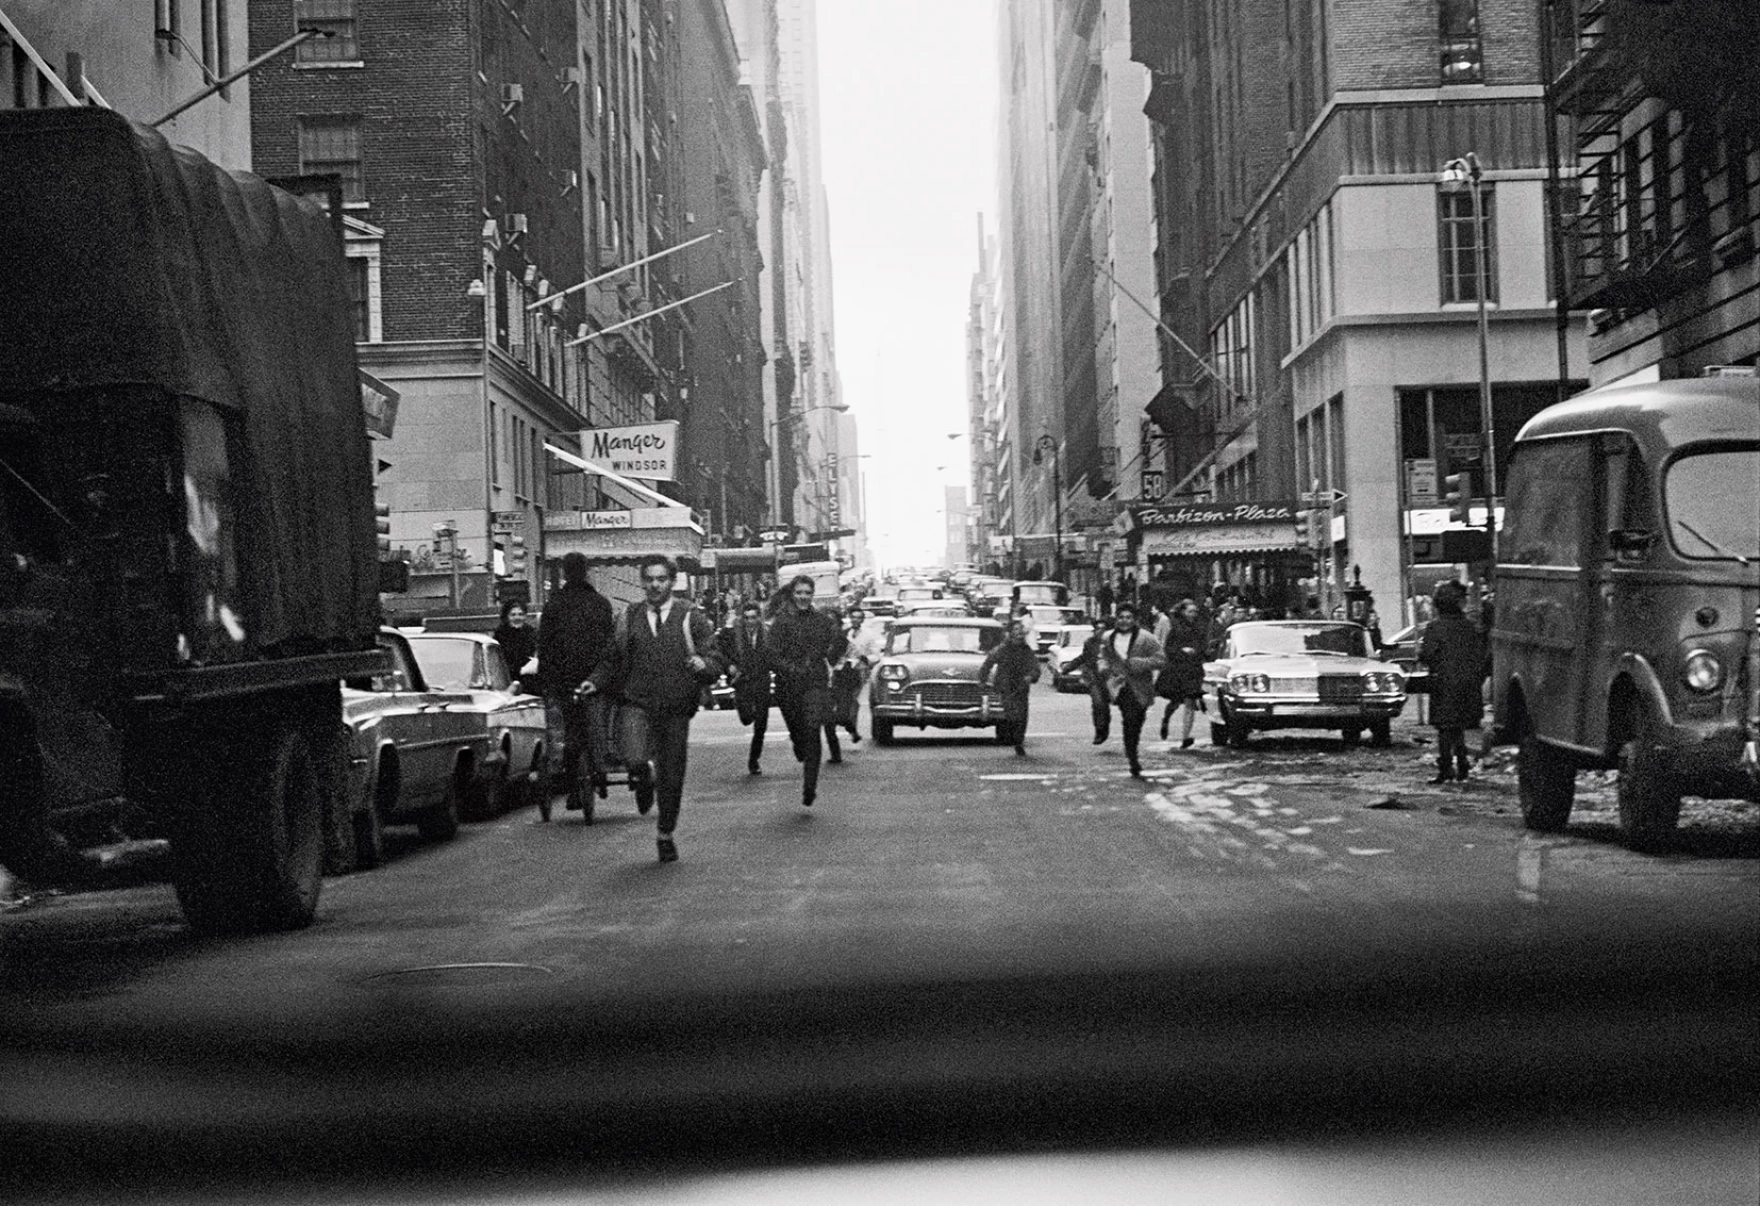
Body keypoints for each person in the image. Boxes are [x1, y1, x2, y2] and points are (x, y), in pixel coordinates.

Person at [590, 556, 724, 862]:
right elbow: (611, 658)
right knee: (633, 755)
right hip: (636, 703)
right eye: (649, 579)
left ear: (672, 582)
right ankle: (643, 774)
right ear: (642, 582)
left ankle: (665, 833)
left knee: (673, 775)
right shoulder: (629, 617)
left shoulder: (691, 617)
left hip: (676, 707)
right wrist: (594, 681)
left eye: (661, 579)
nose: (654, 585)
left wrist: (704, 664)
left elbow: (716, 657)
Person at [536, 553, 616, 812]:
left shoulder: (553, 606)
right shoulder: (601, 604)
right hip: (595, 678)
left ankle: (573, 787)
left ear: (564, 574)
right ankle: (599, 770)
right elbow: (609, 646)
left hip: (563, 681)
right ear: (586, 572)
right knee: (596, 726)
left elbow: (545, 647)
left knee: (570, 731)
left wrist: (547, 681)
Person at [767, 574, 848, 808]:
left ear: (813, 595)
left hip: (814, 683)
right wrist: (790, 669)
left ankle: (809, 787)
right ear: (792, 594)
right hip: (789, 686)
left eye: (807, 593)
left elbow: (830, 656)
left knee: (813, 732)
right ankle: (797, 743)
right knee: (799, 732)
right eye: (799, 593)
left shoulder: (821, 620)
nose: (803, 597)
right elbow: (772, 654)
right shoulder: (781, 622)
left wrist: (840, 640)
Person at [1418, 580, 1487, 784]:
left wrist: (1421, 655)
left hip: (1444, 684)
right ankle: (1463, 765)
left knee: (1445, 728)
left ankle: (1446, 767)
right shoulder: (1469, 627)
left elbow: (1429, 655)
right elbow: (1480, 655)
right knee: (1458, 727)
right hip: (1468, 685)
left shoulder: (1435, 627)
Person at [1097, 601, 1167, 777]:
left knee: (1136, 721)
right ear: (1116, 619)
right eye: (1121, 617)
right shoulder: (1108, 637)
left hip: (1141, 687)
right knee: (1129, 718)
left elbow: (1161, 660)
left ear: (1134, 619)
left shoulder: (1146, 638)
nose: (1124, 621)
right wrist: (1103, 666)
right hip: (1120, 687)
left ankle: (1132, 748)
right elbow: (1103, 656)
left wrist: (1142, 663)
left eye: (1128, 617)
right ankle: (1132, 757)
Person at [718, 601, 773, 775]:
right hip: (743, 682)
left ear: (759, 618)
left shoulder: (767, 634)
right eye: (747, 618)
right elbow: (718, 651)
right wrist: (729, 666)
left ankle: (754, 760)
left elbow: (776, 654)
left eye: (754, 618)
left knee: (761, 725)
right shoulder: (733, 634)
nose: (750, 622)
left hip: (761, 681)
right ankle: (743, 708)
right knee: (747, 718)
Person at [980, 618, 1043, 755]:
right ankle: (1011, 736)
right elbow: (987, 664)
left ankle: (1018, 741)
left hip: (1021, 687)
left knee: (1022, 716)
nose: (1019, 633)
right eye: (1015, 630)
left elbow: (1035, 668)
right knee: (1011, 715)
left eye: (1020, 630)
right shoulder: (1002, 649)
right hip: (1005, 687)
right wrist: (983, 681)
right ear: (1010, 633)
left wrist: (1031, 676)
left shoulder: (1026, 651)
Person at [1157, 598, 1207, 748]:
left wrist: (1198, 652)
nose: (1193, 614)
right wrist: (1182, 650)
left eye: (1195, 612)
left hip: (1193, 670)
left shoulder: (1199, 628)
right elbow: (1168, 649)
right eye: (1190, 611)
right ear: (1183, 612)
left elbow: (1203, 646)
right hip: (1178, 670)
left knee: (1190, 702)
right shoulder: (1175, 628)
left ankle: (1185, 737)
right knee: (1175, 701)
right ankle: (1166, 719)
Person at [832, 606, 881, 745]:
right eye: (853, 617)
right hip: (841, 672)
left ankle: (852, 729)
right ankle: (846, 726)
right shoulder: (844, 632)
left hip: (858, 672)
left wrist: (864, 658)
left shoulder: (868, 635)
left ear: (862, 620)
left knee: (854, 699)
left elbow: (876, 655)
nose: (855, 620)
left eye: (859, 617)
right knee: (841, 701)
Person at [1063, 616, 1115, 745]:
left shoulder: (1113, 642)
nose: (1099, 631)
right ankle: (1099, 731)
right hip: (1094, 678)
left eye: (1103, 629)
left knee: (1105, 706)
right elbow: (1083, 657)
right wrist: (1068, 667)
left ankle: (1104, 728)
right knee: (1098, 704)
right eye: (1097, 629)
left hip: (1109, 679)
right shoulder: (1090, 643)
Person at [493, 598, 537, 686]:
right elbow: (499, 662)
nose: (517, 618)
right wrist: (520, 670)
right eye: (513, 615)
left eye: (520, 614)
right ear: (507, 617)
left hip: (530, 680)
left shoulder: (530, 632)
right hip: (508, 681)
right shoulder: (500, 634)